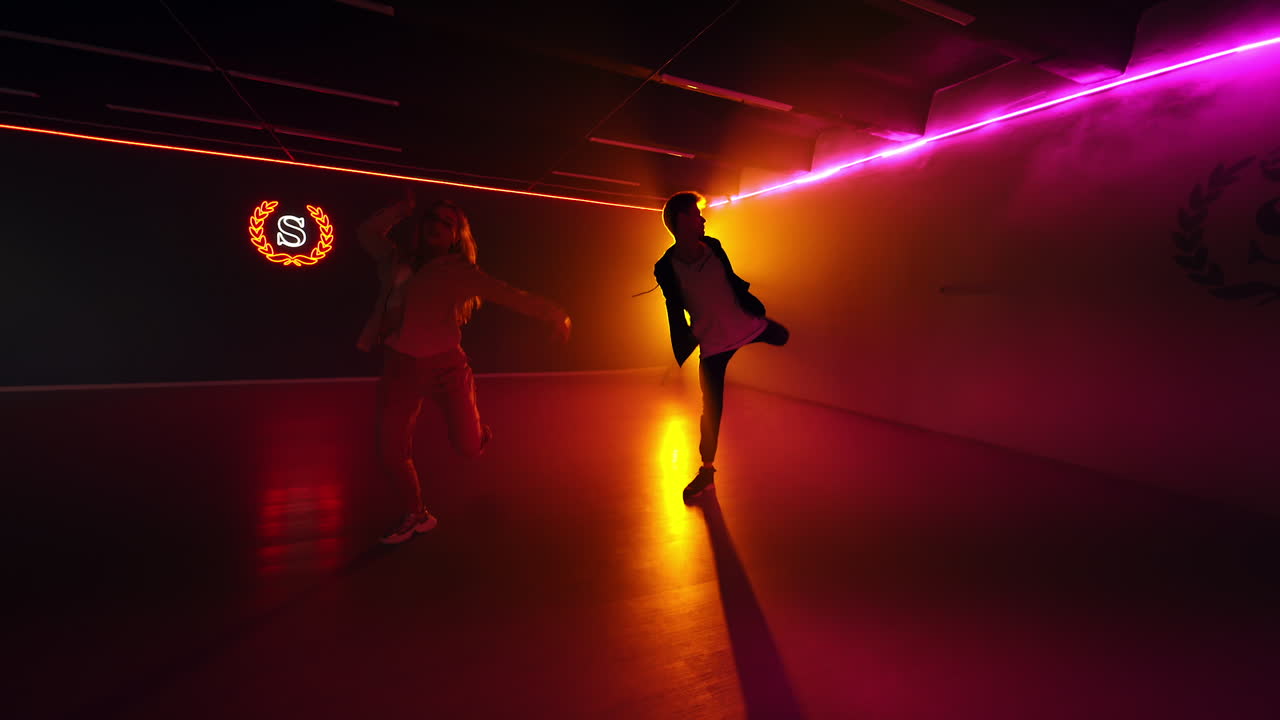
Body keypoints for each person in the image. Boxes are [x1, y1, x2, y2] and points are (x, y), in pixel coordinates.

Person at [357, 189, 571, 543]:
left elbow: (507, 294)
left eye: (448, 223)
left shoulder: (459, 271)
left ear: (456, 236)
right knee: (390, 450)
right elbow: (366, 233)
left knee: (469, 447)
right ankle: (417, 514)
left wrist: (554, 313)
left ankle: (478, 433)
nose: (437, 225)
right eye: (433, 218)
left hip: (447, 368)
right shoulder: (395, 259)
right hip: (400, 366)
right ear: (422, 224)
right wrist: (399, 210)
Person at [652, 191, 789, 503]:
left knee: (782, 336)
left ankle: (765, 327)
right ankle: (706, 472)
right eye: (696, 214)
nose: (702, 219)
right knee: (712, 410)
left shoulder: (713, 246)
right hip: (713, 344)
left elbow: (732, 280)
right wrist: (684, 341)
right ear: (680, 220)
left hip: (746, 325)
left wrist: (754, 307)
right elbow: (674, 307)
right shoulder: (666, 266)